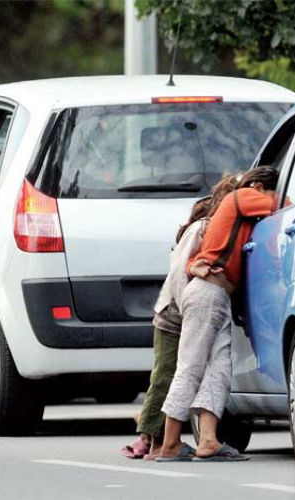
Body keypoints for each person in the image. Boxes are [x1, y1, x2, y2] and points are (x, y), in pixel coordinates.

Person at [157, 166, 280, 462]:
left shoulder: (237, 209)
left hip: (216, 295)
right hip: (208, 294)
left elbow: (200, 257)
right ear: (257, 186)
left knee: (219, 368)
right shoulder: (241, 196)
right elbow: (282, 206)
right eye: (268, 189)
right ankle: (170, 442)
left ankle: (208, 440)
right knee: (191, 366)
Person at [120, 175, 239, 460]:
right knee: (166, 376)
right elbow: (178, 273)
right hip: (173, 317)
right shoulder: (202, 229)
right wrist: (186, 312)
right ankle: (152, 439)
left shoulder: (217, 232)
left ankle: (161, 441)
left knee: (179, 373)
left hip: (183, 314)